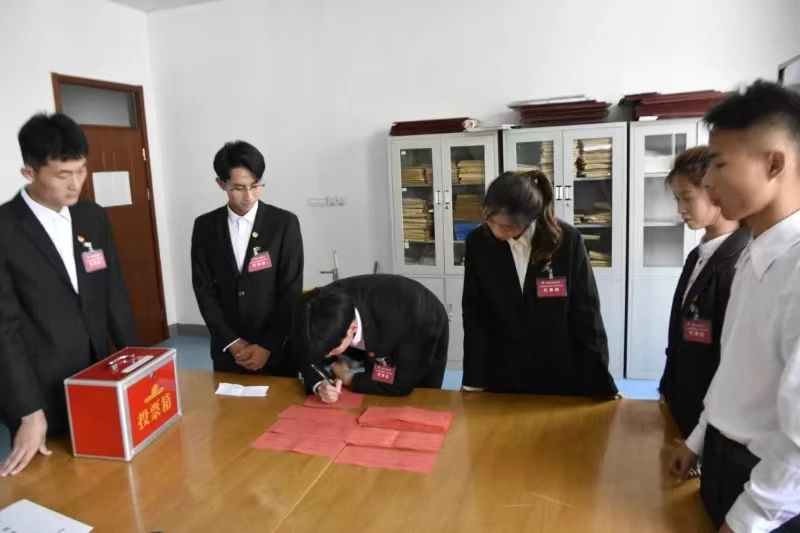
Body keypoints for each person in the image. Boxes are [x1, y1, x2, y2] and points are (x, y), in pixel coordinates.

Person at [670, 81, 800, 532]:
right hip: (725, 462)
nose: (707, 181)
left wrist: (749, 519)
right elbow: (734, 373)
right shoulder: (753, 255)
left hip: (770, 495)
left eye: (720, 163)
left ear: (774, 164)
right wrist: (700, 438)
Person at [0, 113, 139, 476]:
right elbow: (4, 330)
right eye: (63, 175)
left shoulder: (92, 217)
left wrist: (140, 363)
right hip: (40, 390)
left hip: (99, 375)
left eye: (81, 170)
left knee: (111, 471)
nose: (75, 183)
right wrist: (28, 411)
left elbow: (113, 295)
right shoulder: (5, 229)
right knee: (56, 482)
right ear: (29, 172)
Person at [461, 170, 617, 398]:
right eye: (491, 221)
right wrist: (473, 381)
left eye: (506, 227)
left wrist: (601, 383)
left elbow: (587, 314)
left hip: (559, 372)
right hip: (503, 373)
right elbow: (475, 315)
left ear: (528, 219)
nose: (496, 232)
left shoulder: (566, 241)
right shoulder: (479, 242)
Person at [659, 146, 749, 439]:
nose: (680, 209)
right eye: (677, 199)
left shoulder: (739, 261)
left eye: (687, 198)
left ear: (715, 191)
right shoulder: (698, 255)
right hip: (682, 395)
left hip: (710, 412)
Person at [191, 140, 303, 376]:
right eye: (239, 188)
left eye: (256, 185)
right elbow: (203, 290)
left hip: (276, 349)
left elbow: (291, 290)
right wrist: (231, 342)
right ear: (221, 184)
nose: (249, 196)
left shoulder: (284, 223)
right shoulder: (205, 227)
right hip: (229, 350)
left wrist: (268, 345)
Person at [294, 274, 448, 402]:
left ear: (352, 329)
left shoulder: (407, 322)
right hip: (373, 325)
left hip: (422, 324)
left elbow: (400, 382)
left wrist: (348, 378)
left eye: (331, 351)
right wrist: (320, 383)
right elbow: (304, 350)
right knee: (371, 397)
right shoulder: (315, 306)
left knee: (420, 399)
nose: (325, 356)